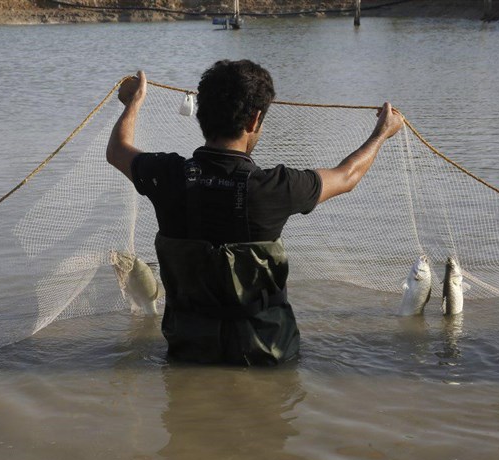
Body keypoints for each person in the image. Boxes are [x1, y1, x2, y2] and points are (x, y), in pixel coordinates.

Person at [106, 60, 403, 365]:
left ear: (202, 114)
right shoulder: (275, 188)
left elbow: (117, 149)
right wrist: (381, 133)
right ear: (254, 120)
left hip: (188, 353)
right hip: (267, 360)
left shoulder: (165, 176)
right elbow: (347, 176)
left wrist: (134, 102)